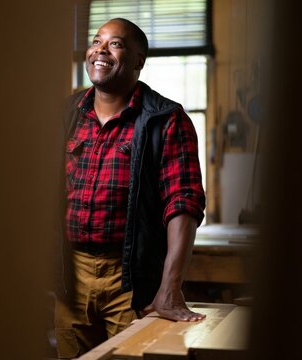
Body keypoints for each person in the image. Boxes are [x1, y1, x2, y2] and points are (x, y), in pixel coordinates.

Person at [54, 17, 206, 359]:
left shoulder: (165, 119)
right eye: (96, 41)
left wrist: (170, 286)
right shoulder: (65, 114)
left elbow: (183, 202)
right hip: (71, 278)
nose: (100, 50)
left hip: (131, 281)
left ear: (138, 61)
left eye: (115, 44)